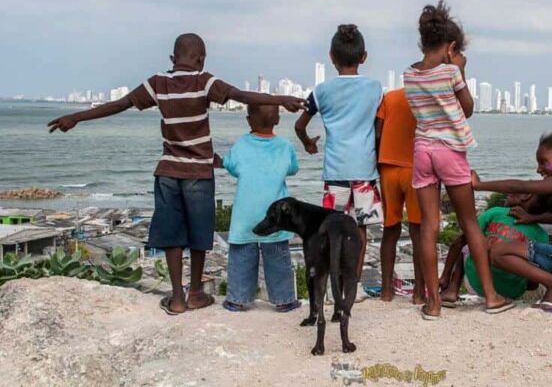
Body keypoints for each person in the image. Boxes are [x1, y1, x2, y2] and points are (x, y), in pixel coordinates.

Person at [47, 33, 306, 315]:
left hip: (169, 171)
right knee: (198, 234)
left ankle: (177, 298)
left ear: (172, 58)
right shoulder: (204, 81)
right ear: (202, 59)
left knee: (172, 234)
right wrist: (280, 99)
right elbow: (241, 95)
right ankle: (196, 293)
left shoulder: (158, 82)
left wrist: (76, 117)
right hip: (199, 172)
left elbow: (120, 104)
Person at [403, 0, 514, 319]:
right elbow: (466, 109)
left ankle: (433, 302)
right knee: (469, 223)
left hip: (422, 150)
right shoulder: (452, 71)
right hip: (449, 151)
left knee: (428, 226)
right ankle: (491, 297)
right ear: (452, 47)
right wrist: (461, 71)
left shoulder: (409, 75)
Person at [295, 24, 383, 299]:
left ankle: (331, 288)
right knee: (360, 231)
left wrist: (308, 143)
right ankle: (352, 288)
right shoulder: (375, 88)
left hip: (335, 172)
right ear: (364, 56)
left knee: (332, 234)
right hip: (365, 173)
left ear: (331, 57)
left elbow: (300, 125)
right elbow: (379, 127)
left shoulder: (321, 91)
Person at [471, 131, 552, 312]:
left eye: (543, 162)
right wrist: (534, 218)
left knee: (498, 252)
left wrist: (480, 185)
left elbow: (522, 186)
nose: (539, 169)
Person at [215, 104, 301, 313]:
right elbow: (292, 169)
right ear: (278, 120)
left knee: (241, 256)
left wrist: (221, 162)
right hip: (276, 217)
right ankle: (284, 300)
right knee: (278, 258)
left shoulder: (242, 144)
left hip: (246, 215)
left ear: (248, 120)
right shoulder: (285, 145)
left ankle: (238, 299)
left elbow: (233, 167)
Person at [439, 193, 552, 305]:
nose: (510, 191)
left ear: (526, 196)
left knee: (468, 243)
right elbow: (533, 285)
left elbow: (457, 244)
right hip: (512, 291)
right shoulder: (542, 235)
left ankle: (452, 290)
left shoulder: (496, 212)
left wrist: (445, 275)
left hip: (476, 283)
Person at [376, 87, 425, 304]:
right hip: (417, 169)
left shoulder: (390, 97)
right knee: (419, 232)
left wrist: (378, 162)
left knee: (390, 229)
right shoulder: (427, 98)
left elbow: (378, 132)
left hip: (388, 167)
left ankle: (386, 291)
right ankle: (418, 293)